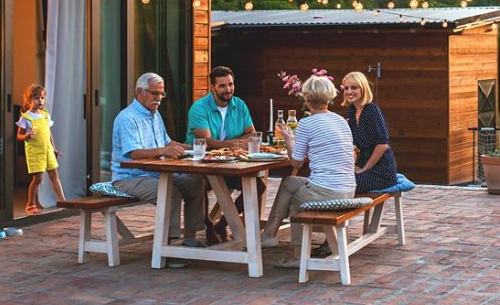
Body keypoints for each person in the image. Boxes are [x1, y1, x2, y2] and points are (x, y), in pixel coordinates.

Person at [260, 75, 356, 268]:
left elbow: (296, 162)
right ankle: (269, 234)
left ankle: (298, 256)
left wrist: (288, 138)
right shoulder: (340, 121)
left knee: (298, 200)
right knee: (289, 182)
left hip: (327, 191)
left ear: (306, 98)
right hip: (348, 189)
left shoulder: (307, 123)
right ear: (329, 97)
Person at [111, 72, 206, 249]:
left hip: (154, 173)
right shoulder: (127, 118)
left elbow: (167, 142)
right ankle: (169, 246)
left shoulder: (154, 114)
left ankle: (191, 237)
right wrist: (164, 151)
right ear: (140, 92)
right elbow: (134, 153)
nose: (159, 98)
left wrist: (197, 148)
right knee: (170, 191)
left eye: (162, 94)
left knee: (196, 182)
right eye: (155, 93)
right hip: (129, 178)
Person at [185, 66, 266, 243]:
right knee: (198, 184)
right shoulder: (199, 108)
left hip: (229, 163)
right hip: (201, 164)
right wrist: (235, 144)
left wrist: (228, 146)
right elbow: (206, 142)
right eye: (222, 86)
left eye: (230, 84)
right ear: (212, 87)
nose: (228, 89)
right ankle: (207, 226)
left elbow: (251, 134)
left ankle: (222, 224)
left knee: (258, 185)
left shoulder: (240, 105)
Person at [342, 71, 397, 193]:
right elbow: (353, 144)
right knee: (337, 180)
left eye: (354, 87)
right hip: (363, 164)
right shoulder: (351, 111)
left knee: (345, 186)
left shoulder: (371, 110)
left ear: (363, 89)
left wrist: (364, 169)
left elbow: (382, 145)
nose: (349, 92)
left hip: (381, 170)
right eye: (346, 88)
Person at [16, 84, 66, 215]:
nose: (40, 101)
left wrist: (54, 149)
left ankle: (63, 201)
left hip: (48, 151)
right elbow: (18, 135)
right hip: (35, 152)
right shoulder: (26, 117)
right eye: (37, 98)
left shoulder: (45, 115)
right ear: (29, 100)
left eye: (42, 98)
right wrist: (26, 135)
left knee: (54, 175)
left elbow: (48, 133)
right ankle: (30, 204)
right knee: (38, 179)